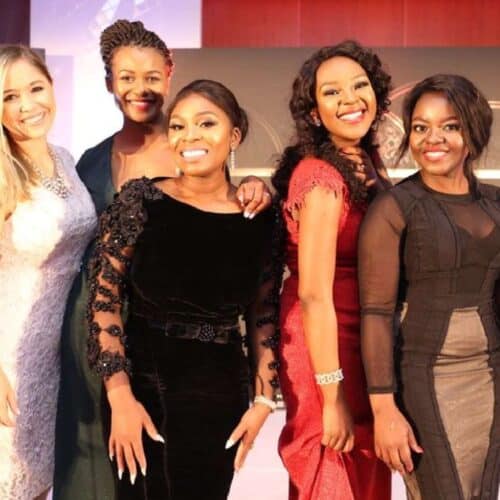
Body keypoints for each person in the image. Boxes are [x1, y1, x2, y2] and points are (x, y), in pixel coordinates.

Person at [53, 20, 271, 500]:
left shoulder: (193, 158)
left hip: (178, 359)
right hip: (99, 341)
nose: (140, 88)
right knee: (88, 475)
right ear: (108, 82)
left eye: (151, 76)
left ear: (170, 73)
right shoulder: (89, 160)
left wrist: (257, 188)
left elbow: (250, 282)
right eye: (126, 77)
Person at [358, 74, 500, 500]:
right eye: (420, 127)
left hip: (491, 380)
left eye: (449, 126)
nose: (432, 139)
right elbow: (376, 313)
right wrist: (384, 409)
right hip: (423, 383)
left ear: (473, 133)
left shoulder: (496, 203)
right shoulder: (394, 208)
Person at [272, 41, 392, 499]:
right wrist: (331, 395)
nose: (350, 99)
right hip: (323, 347)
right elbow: (313, 295)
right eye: (332, 92)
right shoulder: (320, 176)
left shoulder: (366, 162)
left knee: (362, 473)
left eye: (359, 85)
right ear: (315, 113)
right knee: (331, 471)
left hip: (360, 342)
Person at [0, 45, 96, 499]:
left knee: (39, 482)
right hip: (10, 357)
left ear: (52, 87)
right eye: (9, 96)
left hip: (59, 359)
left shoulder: (66, 159)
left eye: (35, 88)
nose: (26, 106)